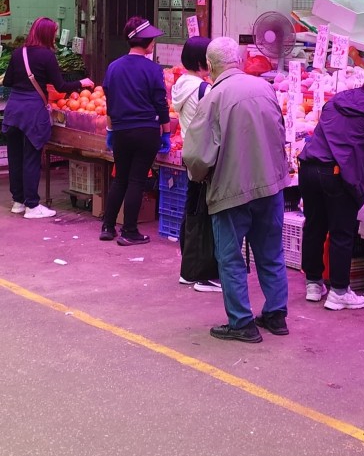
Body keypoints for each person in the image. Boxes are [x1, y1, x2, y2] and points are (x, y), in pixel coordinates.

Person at [182, 36, 291, 343]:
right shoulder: (265, 89)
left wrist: (200, 176)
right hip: (271, 186)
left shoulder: (214, 97)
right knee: (270, 252)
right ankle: (276, 314)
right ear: (240, 61)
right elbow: (280, 132)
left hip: (231, 191)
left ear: (211, 66)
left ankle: (242, 322)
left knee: (230, 257)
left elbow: (196, 155)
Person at [299, 67, 364, 311]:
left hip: (308, 168)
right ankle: (339, 292)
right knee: (342, 232)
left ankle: (313, 283)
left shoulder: (338, 99)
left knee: (314, 226)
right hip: (337, 175)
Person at [1, 17, 94, 218]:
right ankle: (32, 206)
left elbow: (7, 81)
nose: (56, 36)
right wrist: (81, 82)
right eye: (54, 33)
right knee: (31, 157)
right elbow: (60, 86)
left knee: (15, 157)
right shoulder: (46, 56)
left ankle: (18, 201)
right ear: (47, 34)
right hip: (32, 112)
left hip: (14, 110)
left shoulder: (19, 53)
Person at [100, 16, 171, 245]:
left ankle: (108, 227)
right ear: (148, 43)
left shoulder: (113, 67)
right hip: (146, 131)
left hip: (121, 131)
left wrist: (111, 130)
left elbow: (110, 103)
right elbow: (161, 104)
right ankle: (129, 232)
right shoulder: (153, 69)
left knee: (120, 179)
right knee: (136, 180)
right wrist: (167, 132)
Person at [171, 36, 221, 293]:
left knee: (192, 212)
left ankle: (188, 269)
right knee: (205, 214)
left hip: (190, 156)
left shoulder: (180, 85)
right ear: (204, 61)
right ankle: (203, 276)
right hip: (205, 157)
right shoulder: (204, 90)